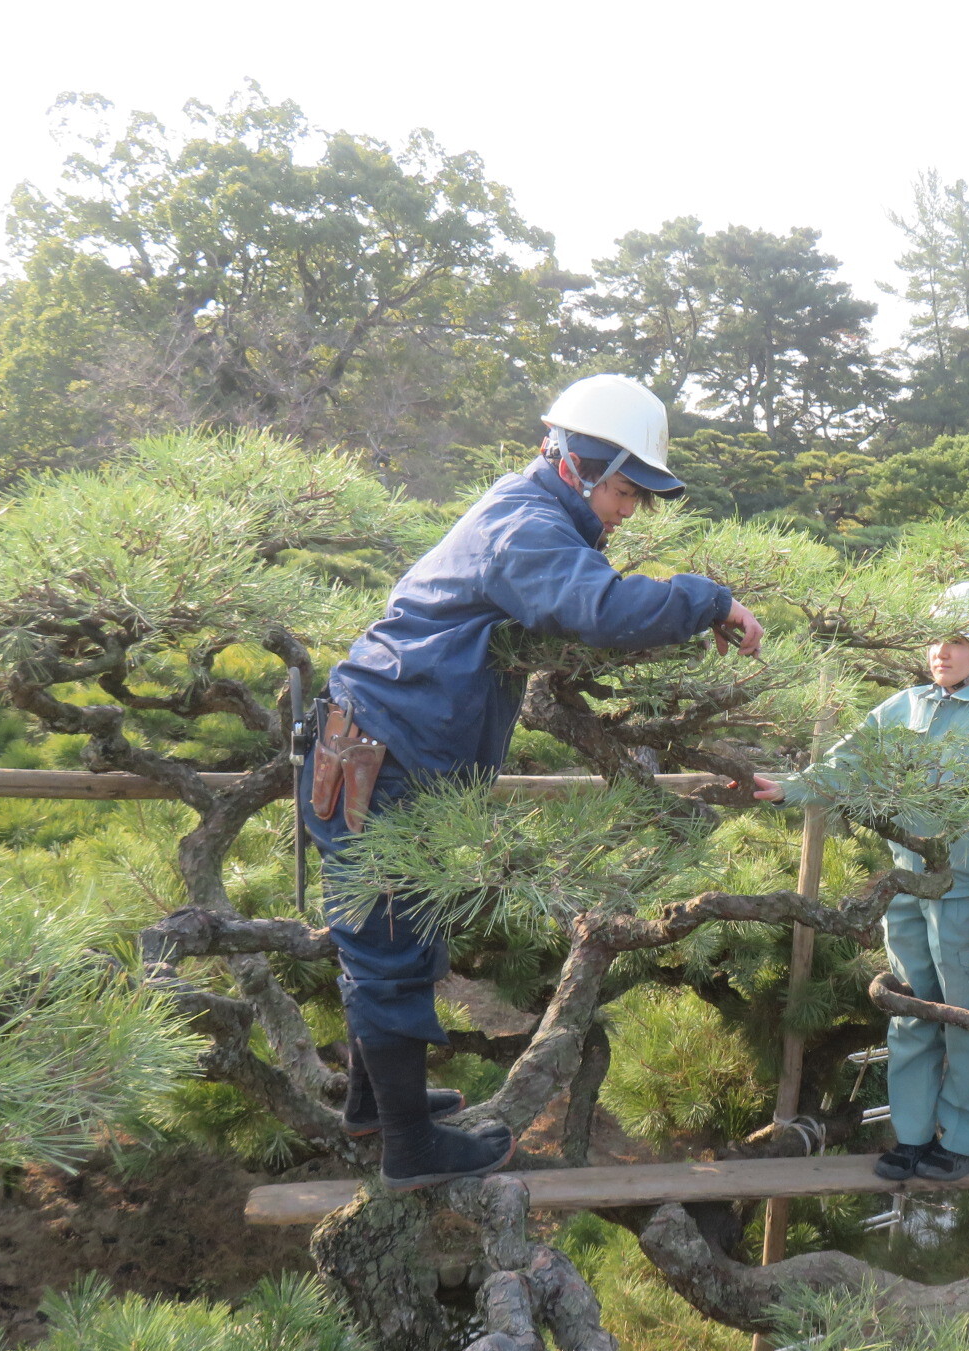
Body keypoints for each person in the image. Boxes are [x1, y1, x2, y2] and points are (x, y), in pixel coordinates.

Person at [305, 373, 765, 1191]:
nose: (628, 511)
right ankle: (409, 1148)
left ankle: (375, 1106)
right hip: (385, 756)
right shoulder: (524, 526)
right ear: (577, 464)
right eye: (625, 490)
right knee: (388, 945)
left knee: (399, 928)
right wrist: (712, 600)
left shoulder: (531, 508)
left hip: (383, 744)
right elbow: (603, 610)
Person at [748, 582, 969, 1183]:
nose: (943, 651)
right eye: (937, 639)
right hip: (907, 892)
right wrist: (786, 786)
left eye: (959, 642)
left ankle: (964, 1139)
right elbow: (840, 765)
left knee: (966, 1018)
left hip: (968, 898)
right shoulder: (901, 707)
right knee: (910, 1014)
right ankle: (911, 1137)